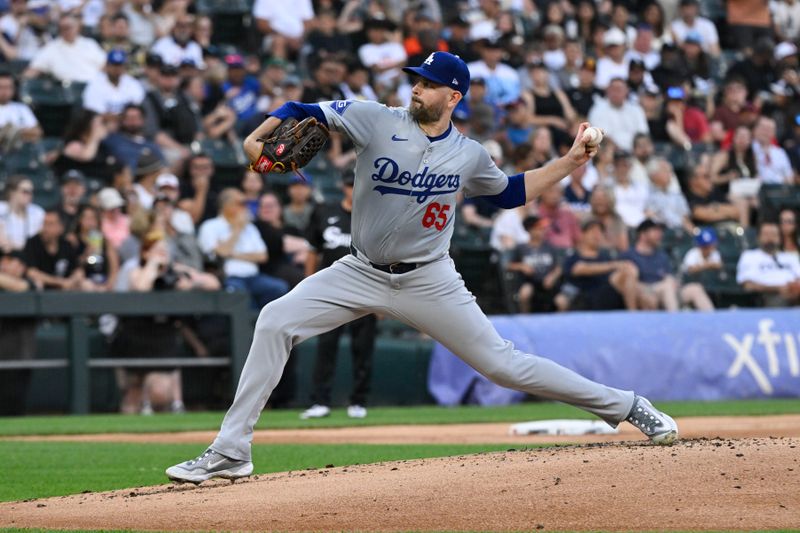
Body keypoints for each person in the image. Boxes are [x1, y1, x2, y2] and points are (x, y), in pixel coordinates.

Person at [165, 52, 679, 483]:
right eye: (417, 79)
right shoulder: (376, 117)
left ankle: (626, 404)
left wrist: (570, 163)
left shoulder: (469, 154)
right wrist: (261, 137)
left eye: (430, 84)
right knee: (275, 319)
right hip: (359, 269)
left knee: (503, 365)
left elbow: (512, 194)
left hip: (429, 277)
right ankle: (232, 451)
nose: (418, 88)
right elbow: (302, 108)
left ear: (453, 97)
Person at [300, 172, 376, 420]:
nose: (352, 188)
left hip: (366, 290)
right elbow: (313, 250)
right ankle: (320, 401)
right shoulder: (324, 211)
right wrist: (308, 284)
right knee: (326, 347)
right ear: (342, 187)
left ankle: (358, 401)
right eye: (349, 184)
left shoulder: (376, 214)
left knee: (362, 348)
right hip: (330, 291)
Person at [198, 188, 289, 309]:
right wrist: (237, 230)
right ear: (226, 205)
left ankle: (261, 319)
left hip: (253, 277)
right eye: (241, 203)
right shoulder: (210, 226)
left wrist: (232, 254)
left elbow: (262, 256)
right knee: (240, 295)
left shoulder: (250, 227)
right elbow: (217, 255)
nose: (245, 207)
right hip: (229, 277)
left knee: (280, 288)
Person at [623, 219, 714, 311]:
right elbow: (621, 281)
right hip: (647, 291)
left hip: (668, 292)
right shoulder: (630, 255)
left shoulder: (661, 255)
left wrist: (673, 281)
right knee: (666, 286)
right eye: (655, 231)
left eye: (660, 231)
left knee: (695, 289)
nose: (660, 234)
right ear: (642, 234)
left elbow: (668, 275)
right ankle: (674, 321)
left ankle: (713, 321)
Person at [560, 219, 641, 312]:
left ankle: (633, 313)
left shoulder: (606, 256)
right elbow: (578, 269)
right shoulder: (574, 255)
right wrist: (613, 265)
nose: (596, 235)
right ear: (583, 234)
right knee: (562, 300)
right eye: (593, 231)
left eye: (600, 232)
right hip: (581, 296)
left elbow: (618, 277)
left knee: (629, 271)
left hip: (607, 296)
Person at [507, 215, 562, 313]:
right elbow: (509, 265)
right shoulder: (521, 248)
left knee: (561, 301)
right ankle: (525, 319)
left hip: (549, 283)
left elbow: (558, 267)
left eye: (543, 229)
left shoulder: (549, 247)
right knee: (525, 293)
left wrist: (552, 277)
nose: (542, 231)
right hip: (530, 282)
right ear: (530, 230)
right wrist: (521, 266)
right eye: (538, 229)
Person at [737, 221, 800, 306]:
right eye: (766, 235)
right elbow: (748, 285)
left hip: (794, 295)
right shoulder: (749, 256)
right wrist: (778, 289)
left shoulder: (790, 257)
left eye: (774, 235)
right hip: (766, 297)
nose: (770, 238)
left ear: (779, 238)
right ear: (758, 237)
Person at [22, 209, 82, 290]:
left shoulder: (66, 244)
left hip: (66, 288)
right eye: (44, 223)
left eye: (50, 224)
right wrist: (60, 282)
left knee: (85, 284)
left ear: (61, 228)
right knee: (37, 284)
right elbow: (31, 272)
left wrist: (71, 281)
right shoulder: (32, 243)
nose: (45, 228)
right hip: (45, 288)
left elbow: (78, 271)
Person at [0, 176, 45, 253]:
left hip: (30, 256)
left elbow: (39, 242)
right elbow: (3, 244)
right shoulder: (1, 209)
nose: (30, 195)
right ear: (12, 192)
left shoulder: (38, 212)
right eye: (25, 191)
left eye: (31, 192)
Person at [0, 71, 42, 147]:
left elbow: (37, 132)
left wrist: (14, 132)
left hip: (20, 150)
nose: (4, 91)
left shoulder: (21, 108)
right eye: (1, 87)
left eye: (8, 87)